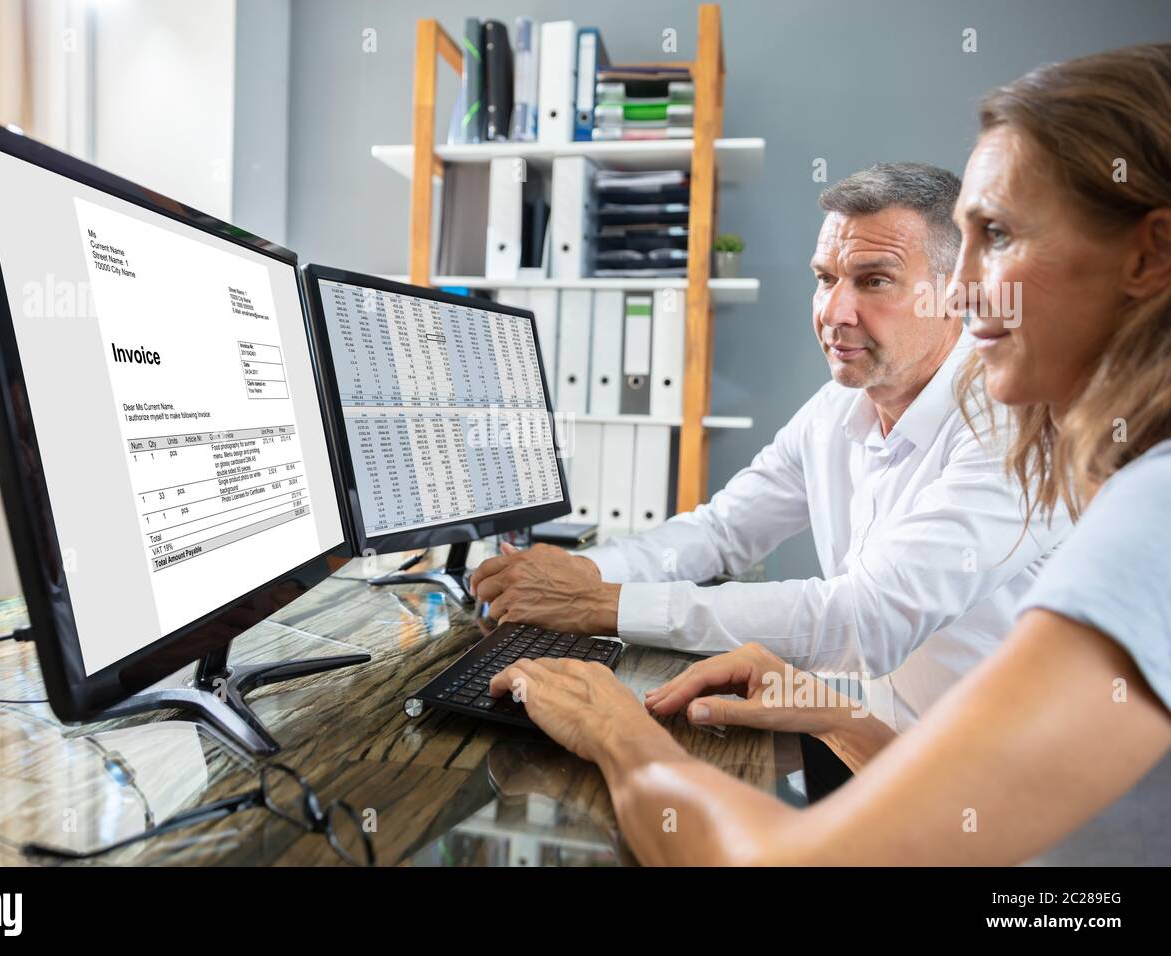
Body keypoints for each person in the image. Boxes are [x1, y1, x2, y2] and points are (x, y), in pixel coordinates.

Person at [486, 43, 1171, 865]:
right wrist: (835, 713)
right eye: (825, 277)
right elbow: (723, 530)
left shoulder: (1139, 507)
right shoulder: (1101, 469)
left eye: (998, 234)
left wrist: (615, 727)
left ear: (1150, 255)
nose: (964, 287)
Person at [473, 162, 1065, 749]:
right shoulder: (835, 408)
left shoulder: (1014, 423)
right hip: (868, 746)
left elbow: (867, 618)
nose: (834, 313)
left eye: (874, 281)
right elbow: (722, 531)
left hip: (994, 800)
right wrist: (585, 573)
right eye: (825, 278)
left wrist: (600, 604)